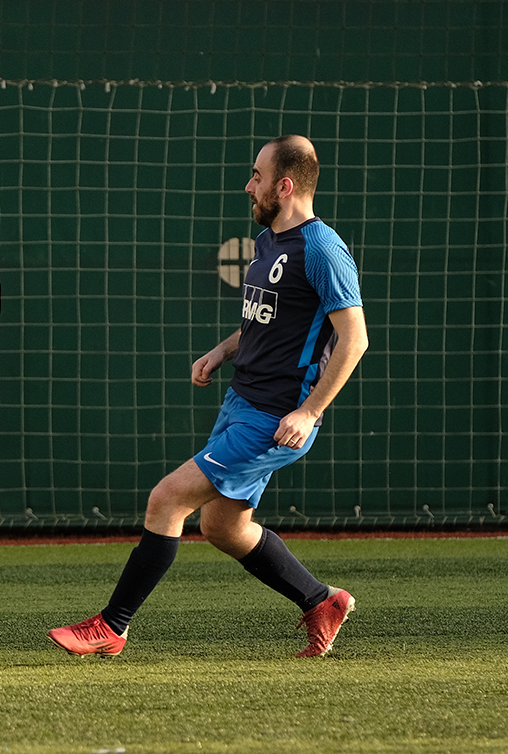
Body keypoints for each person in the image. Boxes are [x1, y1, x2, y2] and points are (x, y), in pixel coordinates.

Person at [48, 135, 368, 659]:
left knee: (166, 498)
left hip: (274, 418)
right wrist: (221, 351)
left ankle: (112, 625)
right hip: (240, 402)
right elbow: (271, 321)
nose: (250, 185)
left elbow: (354, 339)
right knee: (221, 526)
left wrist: (310, 412)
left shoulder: (322, 249)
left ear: (284, 186)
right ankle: (320, 601)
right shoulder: (268, 244)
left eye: (258, 177)